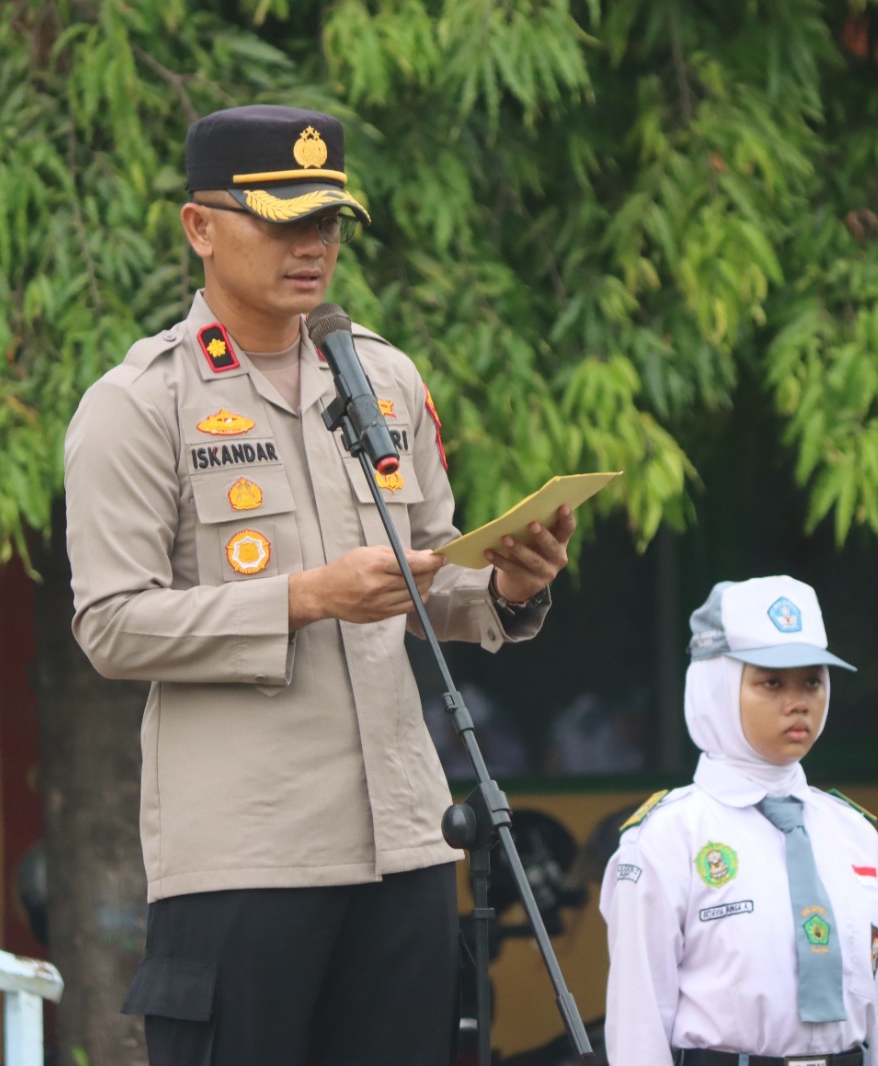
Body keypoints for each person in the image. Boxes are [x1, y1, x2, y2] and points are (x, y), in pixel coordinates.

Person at [63, 103, 575, 1066]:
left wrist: (508, 585)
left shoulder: (379, 377)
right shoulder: (140, 404)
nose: (314, 245)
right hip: (248, 852)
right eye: (284, 219)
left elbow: (433, 573)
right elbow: (111, 626)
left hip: (408, 836)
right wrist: (304, 598)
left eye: (329, 221)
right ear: (200, 228)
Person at [600, 575, 878, 1066]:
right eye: (771, 682)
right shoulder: (668, 837)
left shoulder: (854, 834)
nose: (799, 701)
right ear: (716, 686)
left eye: (812, 680)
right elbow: (639, 1020)